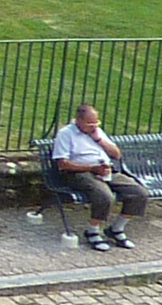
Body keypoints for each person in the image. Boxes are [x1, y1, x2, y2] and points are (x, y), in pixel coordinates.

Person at [49, 103, 147, 251]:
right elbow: (63, 164)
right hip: (80, 172)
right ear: (79, 120)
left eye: (96, 123)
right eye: (90, 124)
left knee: (139, 193)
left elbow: (116, 155)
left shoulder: (97, 132)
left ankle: (117, 229)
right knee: (104, 195)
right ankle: (92, 231)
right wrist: (92, 168)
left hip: (105, 170)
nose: (94, 126)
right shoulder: (66, 134)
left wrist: (98, 139)